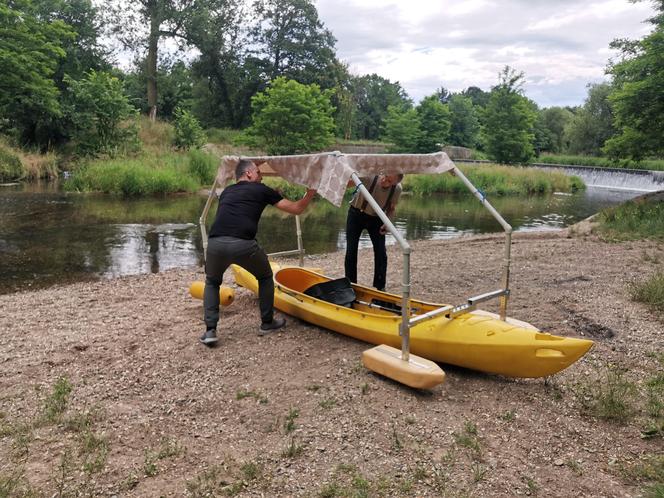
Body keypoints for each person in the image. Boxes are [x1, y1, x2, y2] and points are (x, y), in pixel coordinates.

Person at [200, 159, 317, 346]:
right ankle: (267, 323)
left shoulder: (227, 191)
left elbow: (243, 203)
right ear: (248, 174)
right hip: (243, 245)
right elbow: (296, 209)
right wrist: (310, 193)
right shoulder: (261, 190)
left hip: (215, 244)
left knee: (212, 282)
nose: (261, 177)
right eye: (259, 173)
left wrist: (260, 162)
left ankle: (210, 331)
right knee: (264, 276)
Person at [344, 174, 403, 292]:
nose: (384, 180)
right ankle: (351, 285)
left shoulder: (397, 189)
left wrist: (387, 223)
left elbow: (391, 209)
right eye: (385, 176)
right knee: (351, 251)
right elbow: (346, 184)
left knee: (381, 253)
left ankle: (380, 286)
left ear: (395, 183)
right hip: (356, 214)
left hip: (377, 218)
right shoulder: (370, 177)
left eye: (389, 180)